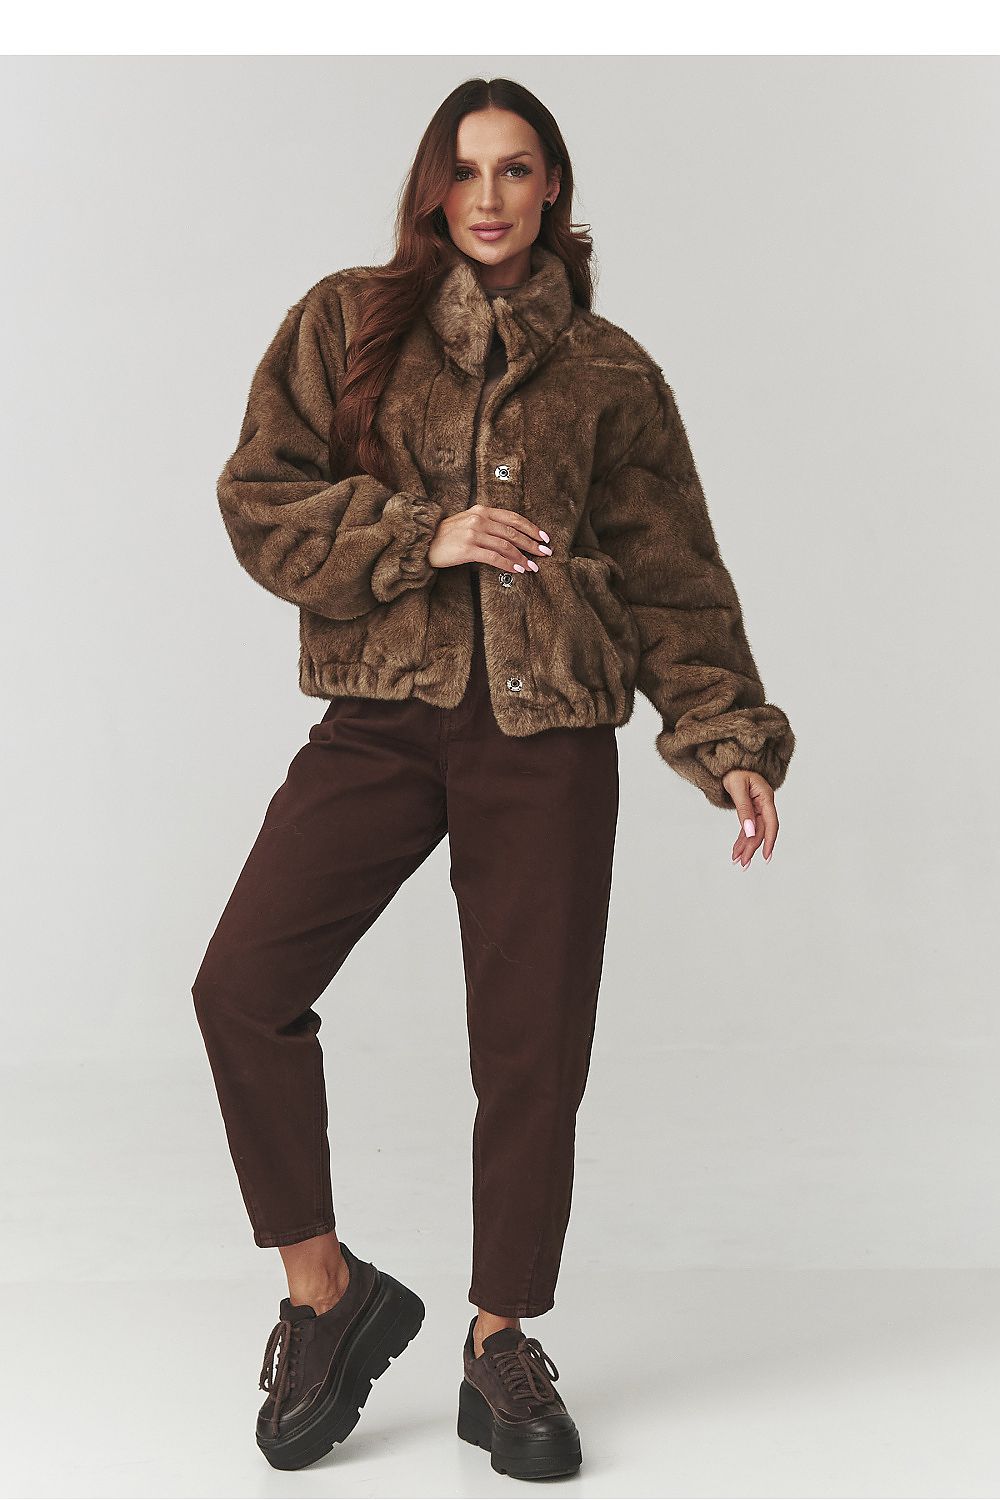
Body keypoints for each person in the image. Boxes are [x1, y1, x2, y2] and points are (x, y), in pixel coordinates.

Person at [191, 76, 795, 1482]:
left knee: (532, 1048)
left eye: (516, 170)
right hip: (383, 716)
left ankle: (498, 1337)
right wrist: (425, 533)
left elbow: (673, 578)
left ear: (551, 189)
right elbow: (260, 499)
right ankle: (327, 1296)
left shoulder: (611, 371)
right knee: (241, 985)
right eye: (465, 171)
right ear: (432, 188)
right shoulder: (349, 323)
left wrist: (728, 740)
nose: (488, 196)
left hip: (551, 732)